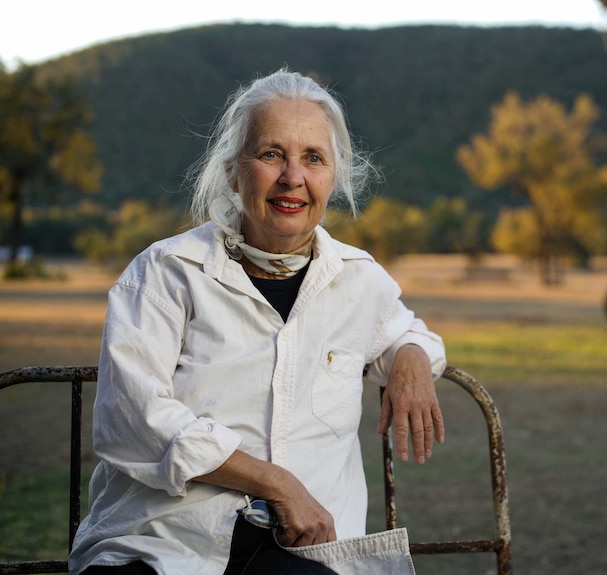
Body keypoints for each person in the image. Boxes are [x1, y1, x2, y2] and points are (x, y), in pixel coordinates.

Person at [68, 66, 447, 575]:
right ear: (232, 170)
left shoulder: (359, 280)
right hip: (165, 542)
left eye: (314, 158)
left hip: (301, 553)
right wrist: (276, 483)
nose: (293, 177)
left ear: (334, 177)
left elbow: (406, 330)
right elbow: (130, 419)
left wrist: (412, 358)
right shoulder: (166, 272)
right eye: (271, 154)